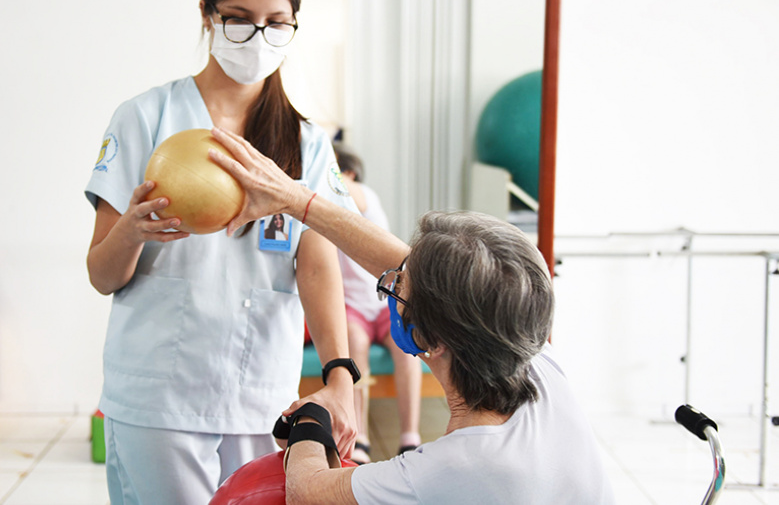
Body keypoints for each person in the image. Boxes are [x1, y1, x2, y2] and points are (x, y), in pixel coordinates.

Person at [208, 127, 617, 504]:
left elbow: (307, 491)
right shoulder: (535, 362)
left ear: (431, 338)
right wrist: (296, 200)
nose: (392, 282)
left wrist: (311, 422)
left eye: (399, 286)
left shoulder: (454, 466)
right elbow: (403, 263)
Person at [84, 0, 359, 503]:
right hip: (158, 395)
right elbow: (101, 275)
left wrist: (340, 377)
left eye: (276, 23)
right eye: (239, 19)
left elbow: (317, 265)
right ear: (207, 13)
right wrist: (132, 231)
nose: (257, 37)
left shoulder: (304, 142)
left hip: (261, 395)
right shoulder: (146, 118)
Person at [332, 143, 421, 463]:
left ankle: (410, 436)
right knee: (354, 345)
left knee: (406, 349)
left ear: (349, 173)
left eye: (334, 169)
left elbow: (344, 190)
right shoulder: (329, 214)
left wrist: (324, 165)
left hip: (384, 302)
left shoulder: (362, 196)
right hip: (353, 307)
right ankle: (360, 437)